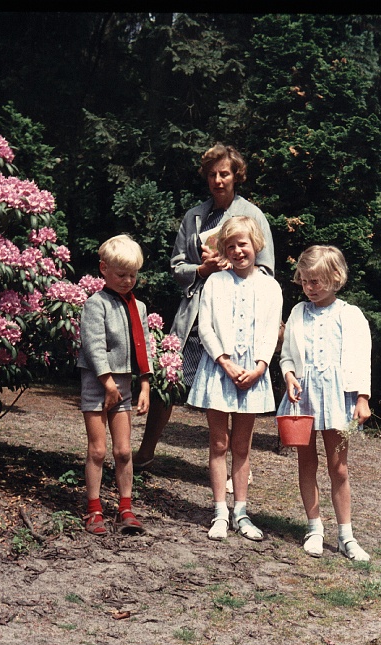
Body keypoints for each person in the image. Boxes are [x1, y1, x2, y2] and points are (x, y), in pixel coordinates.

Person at [132, 143, 275, 475]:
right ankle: (146, 451)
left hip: (237, 319)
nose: (218, 180)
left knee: (232, 389)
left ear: (236, 175)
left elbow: (266, 271)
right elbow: (176, 265)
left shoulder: (253, 216)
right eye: (212, 174)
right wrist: (202, 270)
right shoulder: (195, 216)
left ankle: (237, 467)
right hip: (195, 315)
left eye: (224, 173)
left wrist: (234, 268)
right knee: (168, 380)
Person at [187, 216, 283, 541]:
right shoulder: (216, 282)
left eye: (243, 244)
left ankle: (241, 512)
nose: (238, 251)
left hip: (253, 374)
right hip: (219, 370)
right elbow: (205, 328)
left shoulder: (270, 287)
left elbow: (271, 332)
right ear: (224, 250)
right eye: (231, 246)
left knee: (242, 445)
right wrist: (225, 362)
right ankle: (219, 513)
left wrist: (259, 367)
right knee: (219, 442)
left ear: (256, 244)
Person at [277, 245, 371, 561]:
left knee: (338, 466)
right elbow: (287, 355)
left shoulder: (350, 314)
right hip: (304, 397)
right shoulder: (297, 313)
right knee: (307, 462)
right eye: (305, 281)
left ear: (335, 277)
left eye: (316, 281)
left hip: (338, 396)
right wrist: (289, 375)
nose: (309, 287)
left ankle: (346, 536)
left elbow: (361, 358)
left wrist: (362, 397)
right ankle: (314, 528)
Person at [77, 235, 152, 536]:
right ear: (103, 269)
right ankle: (94, 509)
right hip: (98, 383)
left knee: (123, 450)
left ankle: (125, 507)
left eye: (132, 275)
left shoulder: (139, 307)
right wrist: (107, 383)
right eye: (121, 274)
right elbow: (94, 347)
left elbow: (144, 347)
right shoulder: (95, 305)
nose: (127, 280)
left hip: (124, 385)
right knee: (98, 450)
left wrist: (145, 385)